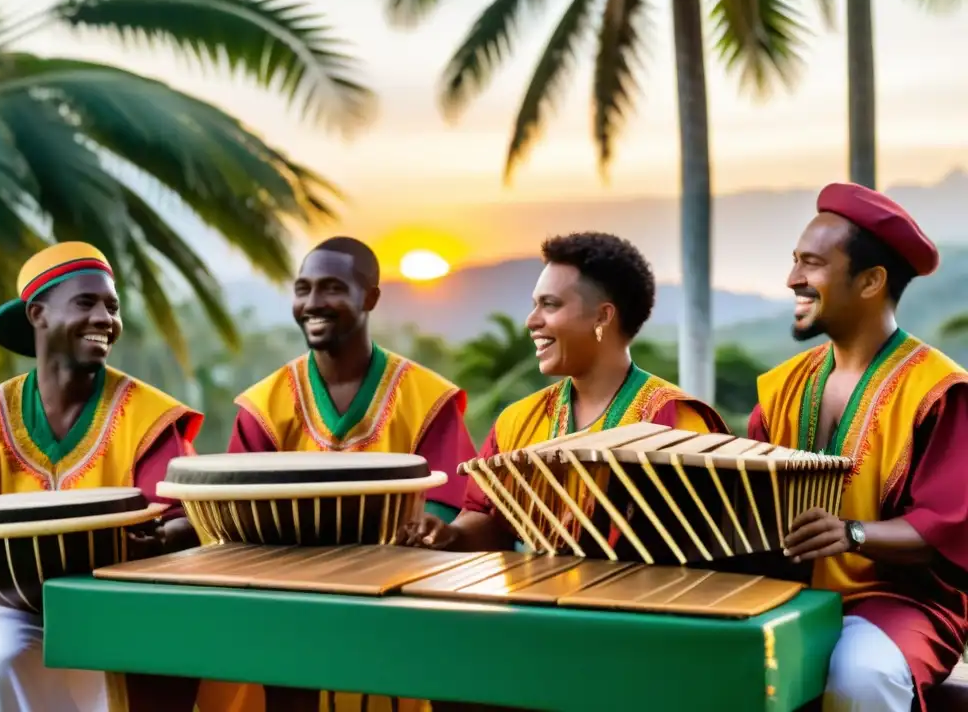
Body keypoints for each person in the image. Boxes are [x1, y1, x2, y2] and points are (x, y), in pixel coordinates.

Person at [195, 236, 478, 712]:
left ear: (370, 298)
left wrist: (431, 531)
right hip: (287, 607)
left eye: (330, 288)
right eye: (302, 289)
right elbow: (235, 516)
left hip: (395, 604)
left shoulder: (426, 397)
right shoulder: (264, 405)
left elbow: (451, 502)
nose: (311, 304)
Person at [0, 242, 204, 711]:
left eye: (113, 306)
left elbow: (188, 520)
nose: (106, 318)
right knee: (2, 657)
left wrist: (157, 543)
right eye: (86, 302)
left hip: (122, 603)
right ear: (38, 314)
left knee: (129, 677)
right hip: (15, 603)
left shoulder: (150, 417)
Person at [747, 183, 968, 712]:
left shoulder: (940, 389)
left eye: (812, 264)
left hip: (898, 601)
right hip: (784, 594)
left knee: (860, 676)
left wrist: (850, 534)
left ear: (870, 281)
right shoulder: (780, 386)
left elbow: (948, 525)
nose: (792, 279)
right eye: (795, 261)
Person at [400, 231, 729, 553]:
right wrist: (449, 535)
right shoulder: (517, 420)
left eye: (550, 305)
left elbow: (701, 541)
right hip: (534, 604)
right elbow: (487, 517)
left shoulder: (674, 419)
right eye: (534, 305)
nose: (531, 321)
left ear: (603, 315)